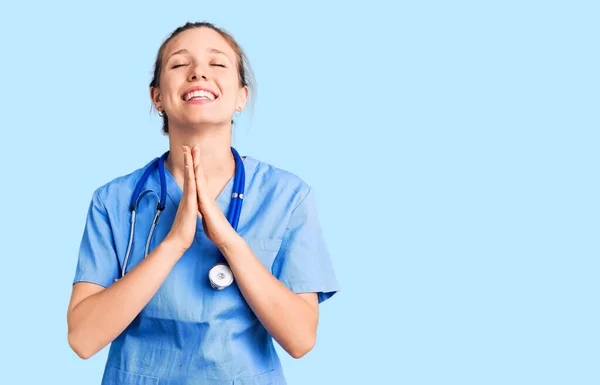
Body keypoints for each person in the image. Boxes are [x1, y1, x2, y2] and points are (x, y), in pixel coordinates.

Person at [66, 21, 339, 385]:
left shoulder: (288, 196)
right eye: (179, 65)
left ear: (241, 96)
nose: (198, 73)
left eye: (218, 64)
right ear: (157, 97)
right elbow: (83, 339)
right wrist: (174, 243)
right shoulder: (113, 201)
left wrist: (228, 241)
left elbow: (301, 339)